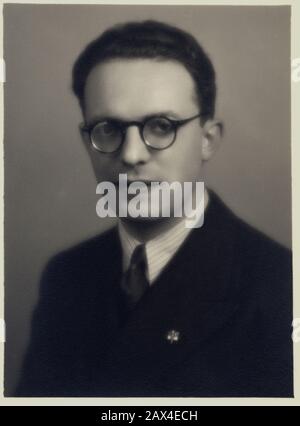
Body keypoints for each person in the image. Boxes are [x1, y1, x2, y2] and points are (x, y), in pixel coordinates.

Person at [15, 20, 293, 397]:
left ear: (208, 140)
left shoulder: (281, 287)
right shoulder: (66, 277)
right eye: (109, 129)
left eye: (161, 126)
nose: (130, 154)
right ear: (87, 141)